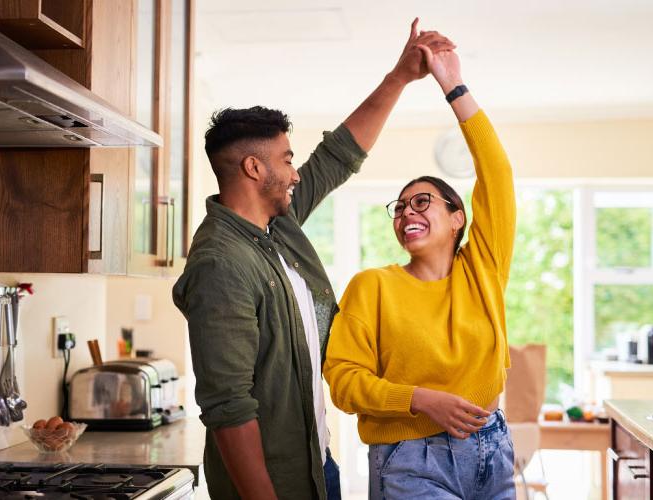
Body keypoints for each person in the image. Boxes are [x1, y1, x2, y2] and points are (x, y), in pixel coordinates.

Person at [172, 20, 455, 500]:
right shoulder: (221, 264)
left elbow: (338, 156)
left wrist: (401, 76)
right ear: (254, 168)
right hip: (274, 486)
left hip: (316, 464)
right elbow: (228, 406)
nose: (295, 172)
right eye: (286, 159)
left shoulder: (274, 227)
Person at [323, 38, 517, 500]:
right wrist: (419, 399)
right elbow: (343, 381)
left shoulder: (483, 271)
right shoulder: (372, 286)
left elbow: (497, 174)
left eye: (422, 201)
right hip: (410, 457)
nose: (407, 211)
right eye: (400, 206)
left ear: (457, 219)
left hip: (492, 447)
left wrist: (453, 86)